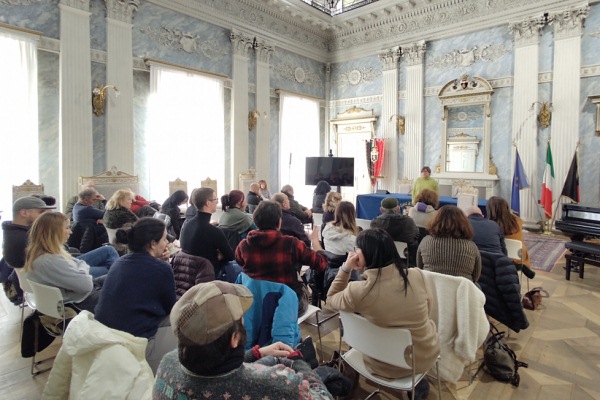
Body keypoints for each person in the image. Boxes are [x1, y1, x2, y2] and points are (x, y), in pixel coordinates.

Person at [153, 281, 333, 400]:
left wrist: (255, 354)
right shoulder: (276, 385)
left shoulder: (167, 363)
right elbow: (324, 397)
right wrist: (298, 362)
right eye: (241, 317)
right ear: (234, 338)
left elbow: (215, 374)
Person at [326, 228, 439, 398]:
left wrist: (346, 269)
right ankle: (417, 385)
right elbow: (429, 310)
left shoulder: (359, 291)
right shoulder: (417, 276)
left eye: (357, 249)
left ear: (365, 255)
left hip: (379, 362)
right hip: (421, 357)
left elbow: (331, 299)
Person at [95, 217, 177, 371]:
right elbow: (171, 309)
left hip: (106, 338)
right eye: (165, 239)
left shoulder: (119, 262)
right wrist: (165, 264)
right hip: (135, 344)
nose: (167, 243)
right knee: (185, 322)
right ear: (153, 243)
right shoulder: (161, 269)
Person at [235, 201, 327, 314]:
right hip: (286, 305)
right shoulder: (292, 244)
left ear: (255, 220)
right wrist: (315, 242)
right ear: (279, 222)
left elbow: (239, 262)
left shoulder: (243, 246)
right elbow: (321, 263)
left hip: (255, 305)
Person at [23, 212, 117, 311]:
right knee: (123, 291)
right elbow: (87, 285)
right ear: (54, 232)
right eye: (67, 228)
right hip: (79, 301)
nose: (71, 232)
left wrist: (79, 269)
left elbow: (78, 263)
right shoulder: (50, 260)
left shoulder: (42, 253)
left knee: (116, 276)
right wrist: (81, 270)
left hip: (76, 292)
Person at [179, 188, 235, 278]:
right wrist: (219, 255)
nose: (217, 202)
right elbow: (230, 256)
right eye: (215, 199)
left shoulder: (188, 224)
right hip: (209, 275)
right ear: (208, 203)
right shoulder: (213, 231)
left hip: (188, 274)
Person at [417, 205, 481, 282]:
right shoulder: (471, 247)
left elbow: (419, 267)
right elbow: (476, 277)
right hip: (461, 291)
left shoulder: (426, 242)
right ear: (464, 223)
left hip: (431, 289)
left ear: (435, 221)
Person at [486, 196, 535, 279]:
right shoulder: (518, 221)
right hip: (518, 259)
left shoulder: (490, 226)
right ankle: (525, 268)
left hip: (499, 261)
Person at [370, 197, 419, 266]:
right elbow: (416, 234)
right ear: (398, 208)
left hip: (383, 260)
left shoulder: (374, 223)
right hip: (406, 260)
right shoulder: (408, 221)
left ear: (381, 210)